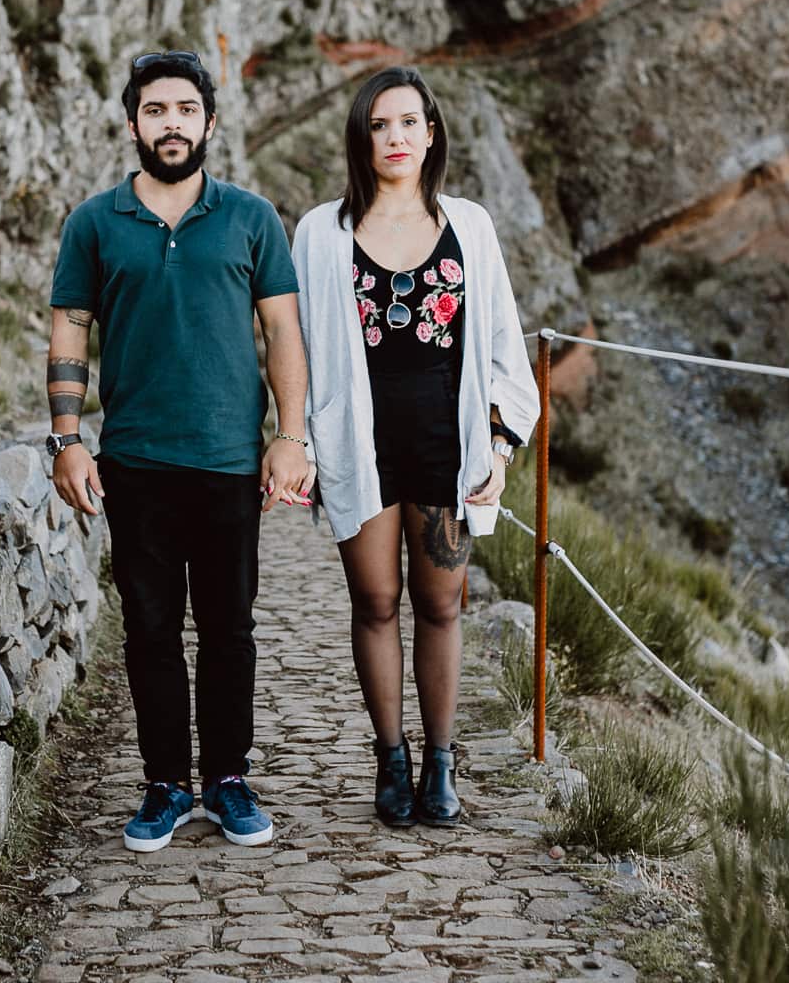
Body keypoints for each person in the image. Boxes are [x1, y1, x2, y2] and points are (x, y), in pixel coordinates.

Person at [46, 49, 317, 853]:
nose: (171, 124)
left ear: (208, 123)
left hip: (230, 459)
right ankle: (164, 785)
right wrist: (68, 439)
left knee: (230, 629)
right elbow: (70, 333)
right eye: (155, 110)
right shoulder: (95, 223)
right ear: (134, 122)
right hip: (134, 459)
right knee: (151, 631)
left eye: (185, 111)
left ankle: (228, 780)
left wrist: (290, 437)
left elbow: (283, 333)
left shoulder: (251, 218)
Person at [291, 66, 539, 827]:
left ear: (431, 133)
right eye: (379, 125)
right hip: (359, 446)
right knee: (374, 602)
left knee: (440, 605)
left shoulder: (470, 226)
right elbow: (294, 348)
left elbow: (502, 344)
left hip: (448, 443)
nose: (395, 137)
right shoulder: (320, 232)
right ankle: (389, 760)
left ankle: (441, 763)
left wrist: (497, 448)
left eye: (408, 123)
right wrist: (294, 439)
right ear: (361, 139)